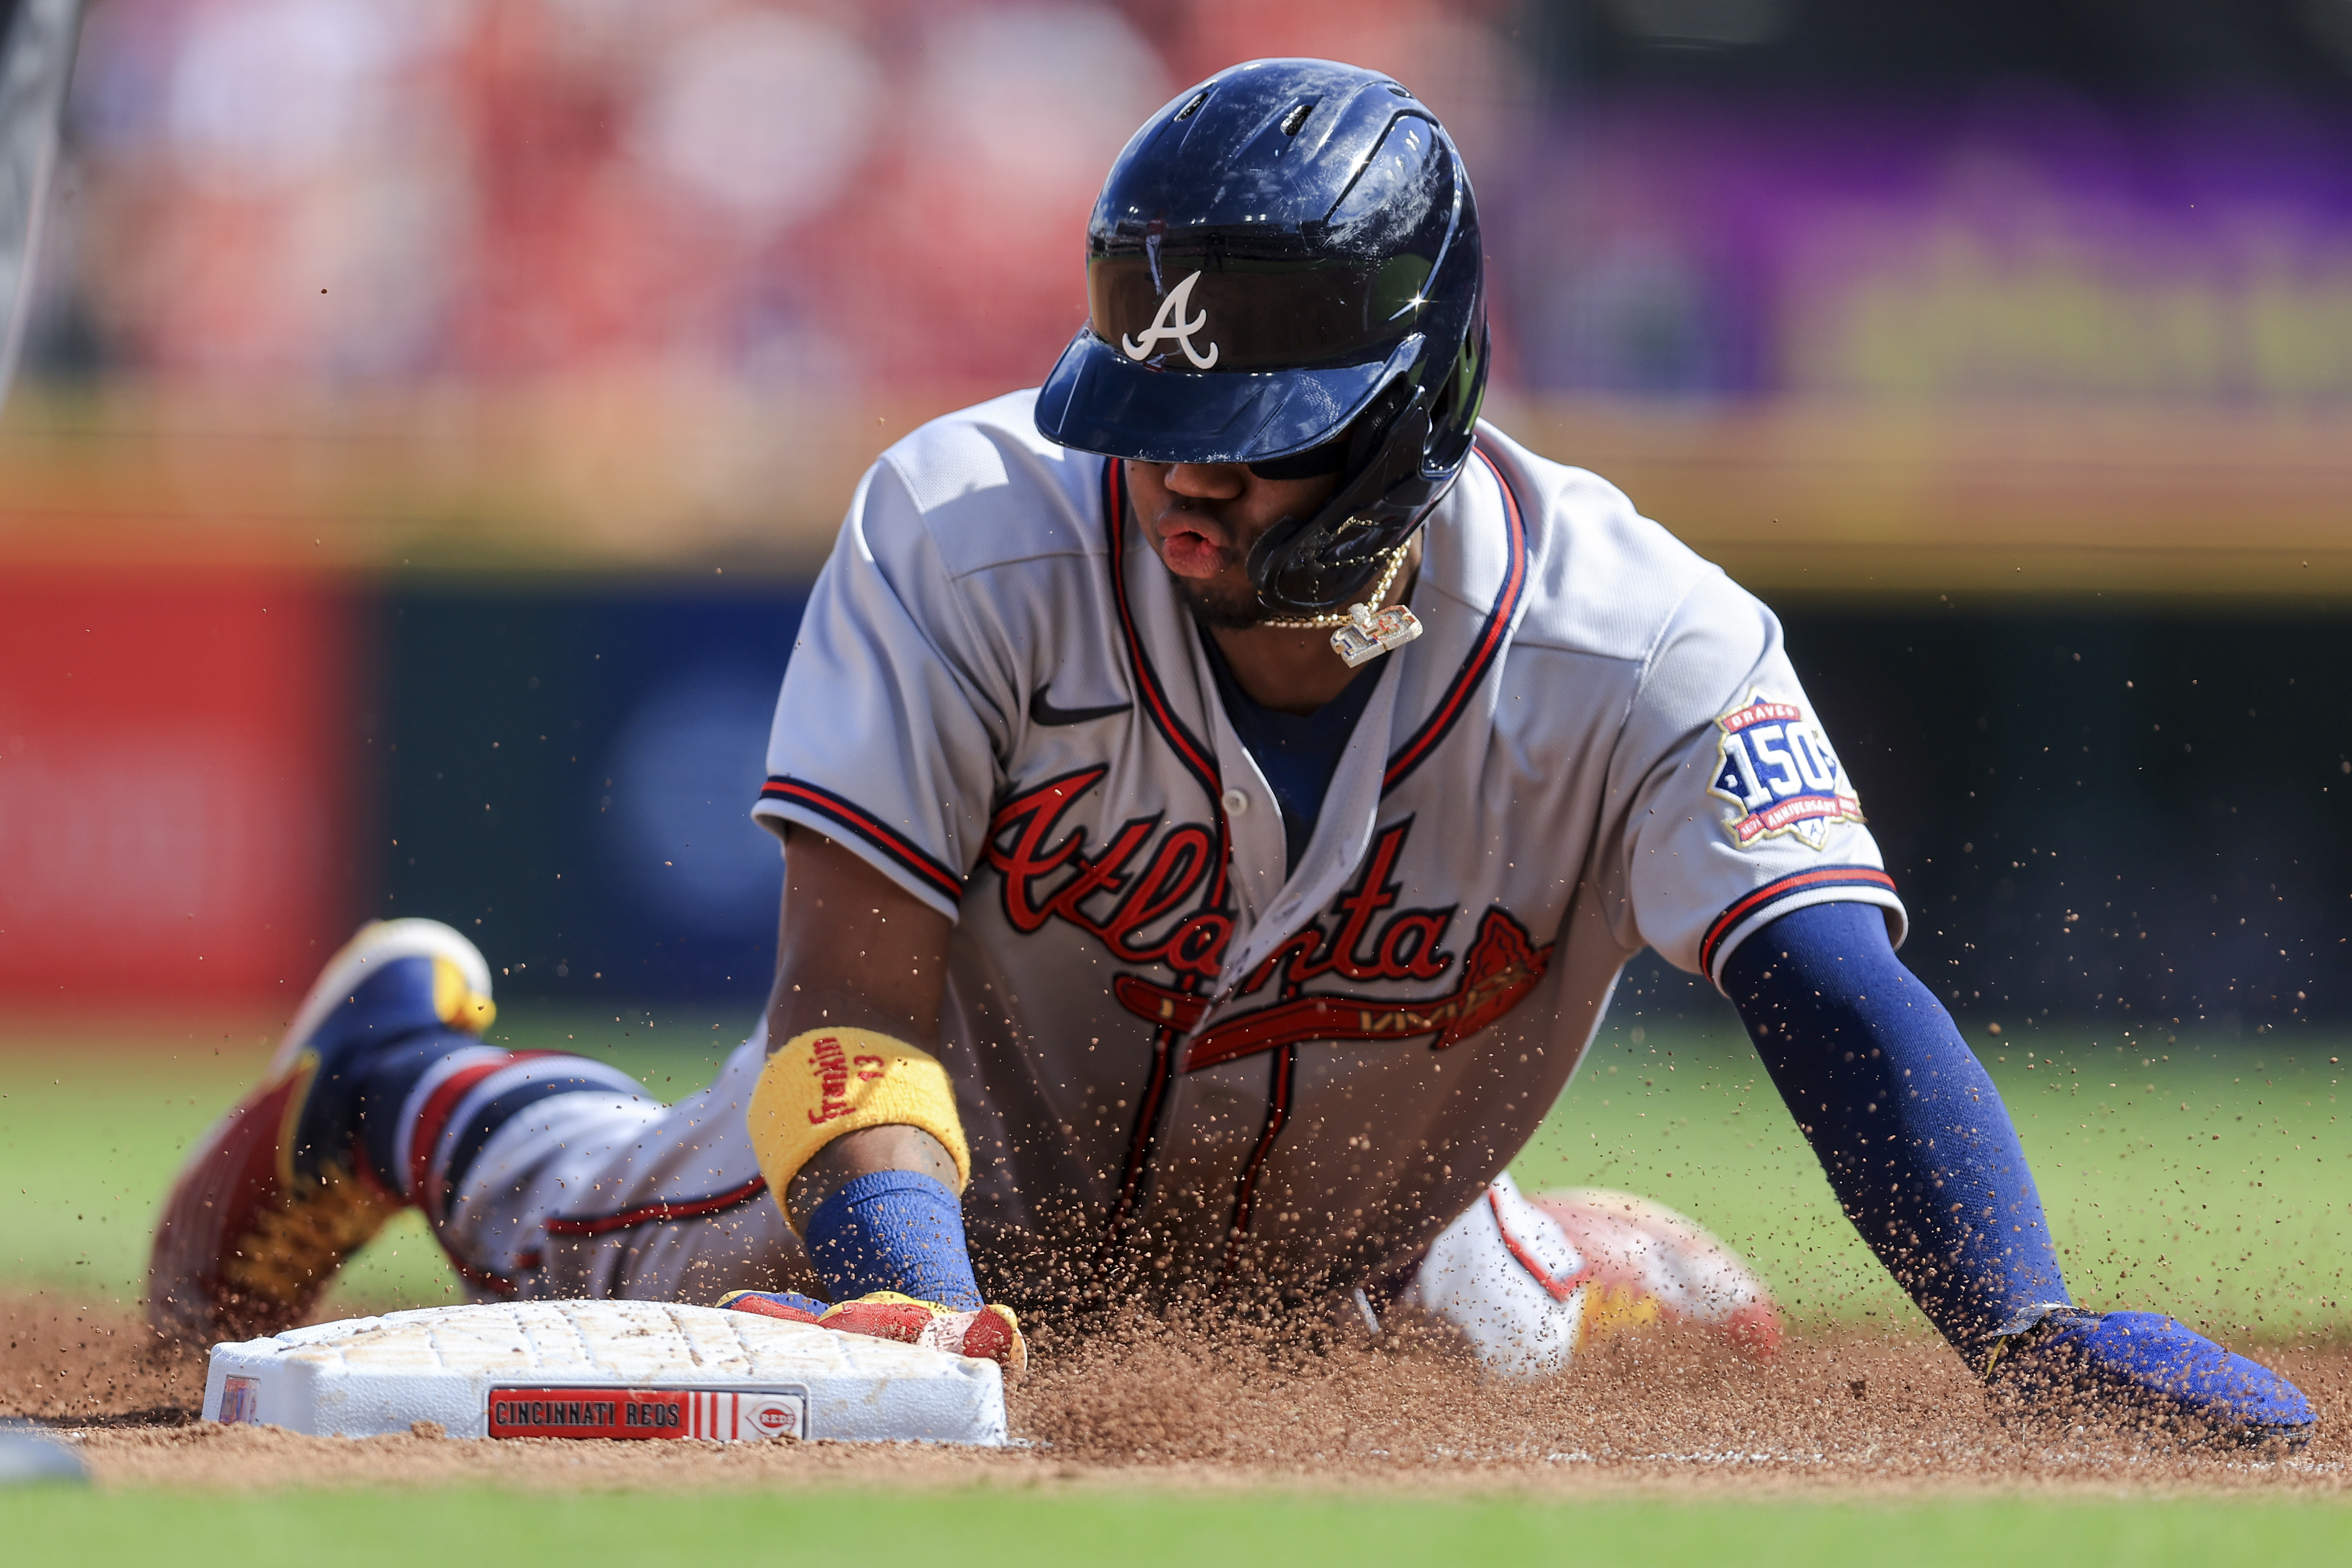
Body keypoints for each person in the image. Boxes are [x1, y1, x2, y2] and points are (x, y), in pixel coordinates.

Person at [152, 58, 2310, 1440]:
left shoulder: (1641, 632)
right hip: (944, 1173)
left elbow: (1833, 985)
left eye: (1251, 445)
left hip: (1350, 1228)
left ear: (1423, 405)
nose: (1186, 489)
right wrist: (913, 1314)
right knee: (605, 1240)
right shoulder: (970, 524)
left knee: (1638, 1339)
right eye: (1153, 423)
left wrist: (2021, 1323)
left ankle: (1537, 1254)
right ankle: (407, 1091)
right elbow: (844, 1010)